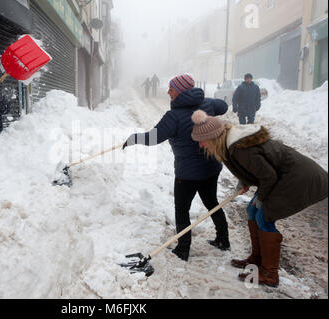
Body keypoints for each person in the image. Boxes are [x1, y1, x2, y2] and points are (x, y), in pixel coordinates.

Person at [190, 110, 328, 287]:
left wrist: (261, 198)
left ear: (213, 137)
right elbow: (255, 168)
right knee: (251, 210)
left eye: (202, 141)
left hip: (298, 177)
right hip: (281, 176)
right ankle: (256, 259)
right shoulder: (229, 143)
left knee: (264, 215)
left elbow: (268, 176)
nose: (201, 145)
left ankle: (270, 273)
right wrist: (244, 180)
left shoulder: (239, 148)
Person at [123, 74, 231, 261]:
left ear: (180, 91)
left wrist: (133, 139)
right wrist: (207, 103)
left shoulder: (173, 117)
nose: (168, 92)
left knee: (182, 209)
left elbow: (153, 138)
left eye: (171, 89)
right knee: (212, 202)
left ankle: (183, 249)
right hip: (211, 167)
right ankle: (223, 239)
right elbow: (224, 106)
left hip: (188, 174)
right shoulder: (207, 104)